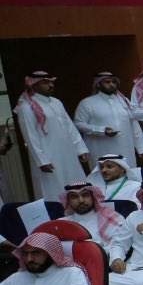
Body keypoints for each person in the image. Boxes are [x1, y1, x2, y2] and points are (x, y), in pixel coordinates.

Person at [15, 71, 89, 199]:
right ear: (34, 85)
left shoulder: (56, 102)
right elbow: (30, 137)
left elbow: (70, 127)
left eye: (51, 82)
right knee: (54, 190)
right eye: (46, 82)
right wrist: (42, 161)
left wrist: (80, 149)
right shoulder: (26, 107)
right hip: (49, 157)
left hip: (69, 154)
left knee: (76, 183)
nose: (51, 85)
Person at [74, 72, 143, 163]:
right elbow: (78, 124)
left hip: (126, 150)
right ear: (98, 84)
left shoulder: (124, 101)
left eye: (113, 82)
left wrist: (141, 148)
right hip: (101, 150)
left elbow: (134, 125)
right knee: (105, 171)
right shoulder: (87, 103)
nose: (111, 84)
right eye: (107, 82)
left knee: (128, 170)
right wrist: (101, 130)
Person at [61, 182, 131, 268]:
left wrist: (94, 251)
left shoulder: (112, 217)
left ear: (93, 197)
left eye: (85, 195)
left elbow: (120, 244)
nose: (81, 200)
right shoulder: (61, 224)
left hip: (104, 266)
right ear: (68, 201)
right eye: (74, 197)